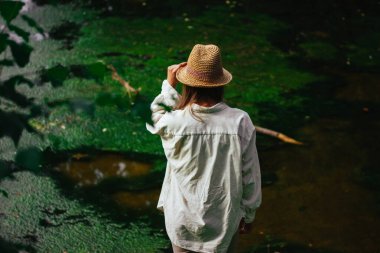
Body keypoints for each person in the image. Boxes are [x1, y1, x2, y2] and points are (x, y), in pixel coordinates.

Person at [146, 44, 262, 253]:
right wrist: (249, 213)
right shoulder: (239, 121)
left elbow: (155, 116)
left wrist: (168, 87)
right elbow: (249, 175)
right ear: (220, 84)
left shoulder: (173, 122)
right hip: (225, 219)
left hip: (181, 219)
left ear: (187, 84)